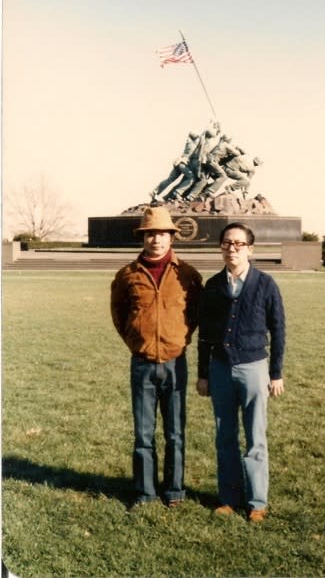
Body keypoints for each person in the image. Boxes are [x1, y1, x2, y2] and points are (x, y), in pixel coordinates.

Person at [111, 206, 202, 509]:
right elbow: (120, 314)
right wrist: (138, 342)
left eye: (162, 234)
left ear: (171, 237)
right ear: (143, 237)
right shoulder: (127, 275)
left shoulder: (187, 275)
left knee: (175, 432)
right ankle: (145, 492)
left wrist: (179, 340)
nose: (156, 240)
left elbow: (196, 314)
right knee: (143, 434)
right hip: (142, 364)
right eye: (150, 234)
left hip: (176, 363)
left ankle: (174, 490)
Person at [196, 222, 285, 522]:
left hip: (254, 369)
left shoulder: (266, 284)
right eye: (226, 243)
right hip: (220, 369)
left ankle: (257, 501)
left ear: (250, 248)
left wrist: (276, 373)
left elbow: (279, 330)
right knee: (225, 436)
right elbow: (205, 334)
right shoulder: (213, 286)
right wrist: (203, 373)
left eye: (238, 244)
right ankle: (229, 497)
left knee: (255, 437)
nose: (231, 249)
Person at [150, 131, 201, 202]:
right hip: (183, 163)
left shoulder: (190, 142)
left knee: (170, 179)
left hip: (178, 162)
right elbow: (198, 135)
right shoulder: (195, 142)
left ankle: (155, 191)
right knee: (191, 178)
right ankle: (178, 192)